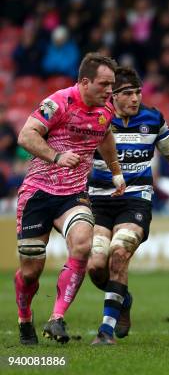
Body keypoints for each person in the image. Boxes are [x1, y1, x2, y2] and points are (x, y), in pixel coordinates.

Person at [87, 67, 169, 345]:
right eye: (127, 93)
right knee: (96, 266)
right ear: (112, 96)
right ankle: (123, 298)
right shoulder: (96, 119)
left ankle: (106, 331)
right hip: (98, 202)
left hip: (136, 200)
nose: (135, 98)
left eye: (138, 92)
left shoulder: (152, 118)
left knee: (119, 252)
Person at [14, 53, 126, 345]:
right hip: (38, 192)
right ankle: (25, 317)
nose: (109, 90)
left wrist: (116, 173)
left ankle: (56, 318)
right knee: (30, 272)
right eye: (104, 84)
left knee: (82, 244)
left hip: (74, 195)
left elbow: (104, 137)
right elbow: (26, 136)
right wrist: (56, 156)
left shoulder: (105, 111)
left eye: (112, 84)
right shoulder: (59, 102)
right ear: (85, 82)